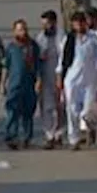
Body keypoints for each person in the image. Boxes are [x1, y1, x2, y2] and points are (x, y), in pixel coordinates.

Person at [57, 10, 97, 151]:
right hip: (72, 79)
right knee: (71, 109)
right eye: (76, 23)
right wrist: (59, 77)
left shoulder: (94, 39)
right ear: (73, 24)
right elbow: (62, 61)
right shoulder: (69, 39)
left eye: (82, 22)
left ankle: (89, 128)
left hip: (89, 79)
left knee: (88, 109)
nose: (79, 25)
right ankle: (74, 139)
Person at [1, 19, 40, 150]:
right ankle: (11, 137)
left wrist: (39, 81)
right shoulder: (11, 48)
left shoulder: (33, 46)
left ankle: (27, 138)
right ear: (14, 32)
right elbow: (6, 67)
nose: (22, 32)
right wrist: (3, 84)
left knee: (28, 113)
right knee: (12, 111)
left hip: (29, 84)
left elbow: (38, 65)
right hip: (14, 85)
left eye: (24, 29)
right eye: (19, 29)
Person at [35, 10, 64, 149]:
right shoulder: (40, 38)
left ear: (54, 23)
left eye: (47, 24)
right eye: (43, 24)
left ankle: (59, 133)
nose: (45, 27)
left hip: (62, 75)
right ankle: (49, 135)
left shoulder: (62, 37)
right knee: (47, 106)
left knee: (61, 105)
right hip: (45, 76)